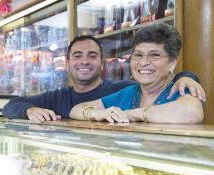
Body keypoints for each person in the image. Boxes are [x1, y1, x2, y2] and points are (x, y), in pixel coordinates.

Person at [3, 34, 205, 123]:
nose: (84, 62)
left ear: (102, 63)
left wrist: (186, 76)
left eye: (92, 56)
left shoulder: (122, 88)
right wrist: (30, 110)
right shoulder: (57, 97)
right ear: (67, 63)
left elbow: (188, 109)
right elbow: (11, 106)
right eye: (77, 56)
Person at [69, 23, 204, 124]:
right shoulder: (129, 92)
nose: (144, 62)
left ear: (173, 62)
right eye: (138, 55)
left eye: (155, 55)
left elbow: (191, 113)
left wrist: (131, 114)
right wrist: (95, 113)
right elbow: (76, 110)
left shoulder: (180, 88)